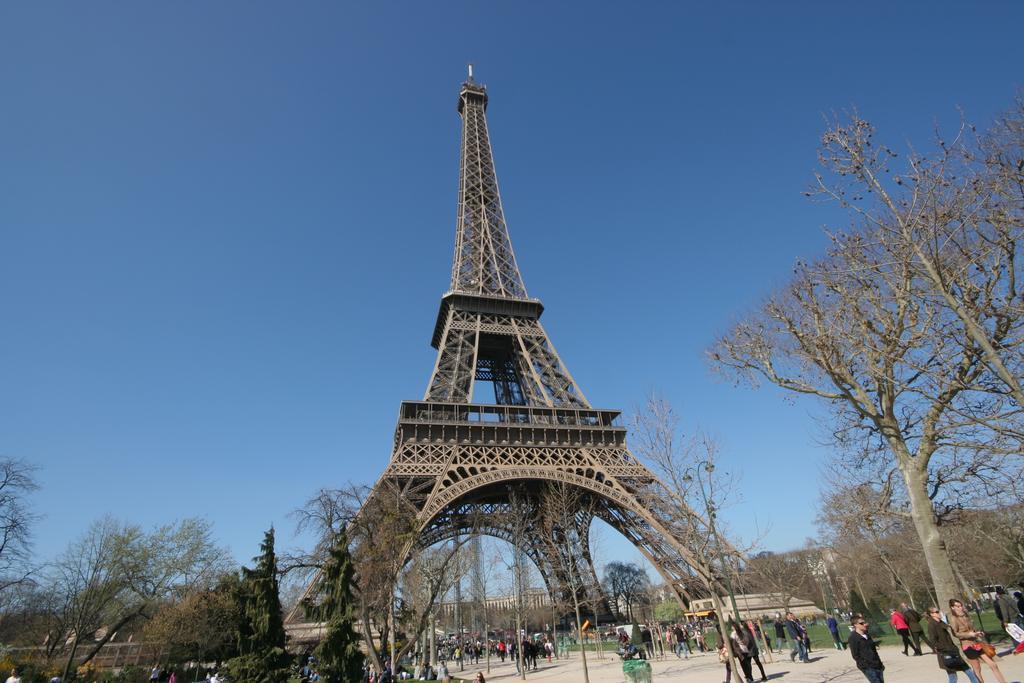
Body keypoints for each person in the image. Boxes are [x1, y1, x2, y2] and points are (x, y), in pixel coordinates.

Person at [949, 599, 1007, 683]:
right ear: (952, 607)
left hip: (976, 643)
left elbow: (972, 629)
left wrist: (977, 633)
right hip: (967, 646)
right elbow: (955, 633)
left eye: (961, 605)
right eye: (958, 606)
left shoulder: (965, 615)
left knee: (993, 664)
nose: (960, 607)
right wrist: (969, 634)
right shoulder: (953, 618)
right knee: (977, 668)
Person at [926, 607, 981, 683]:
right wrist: (944, 648)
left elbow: (953, 632)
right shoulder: (931, 625)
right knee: (953, 676)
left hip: (953, 651)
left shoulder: (941, 622)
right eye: (937, 612)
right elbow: (933, 640)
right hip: (946, 653)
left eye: (939, 611)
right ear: (932, 614)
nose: (939, 613)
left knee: (967, 671)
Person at [848, 615, 885, 683]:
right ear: (855, 625)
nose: (864, 624)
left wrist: (880, 663)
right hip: (868, 667)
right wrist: (865, 666)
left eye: (864, 622)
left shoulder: (867, 635)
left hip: (877, 665)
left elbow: (874, 650)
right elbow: (855, 655)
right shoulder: (853, 638)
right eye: (861, 623)